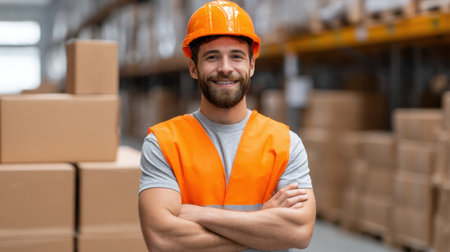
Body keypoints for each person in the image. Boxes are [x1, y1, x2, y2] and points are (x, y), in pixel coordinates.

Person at [138, 1, 315, 251]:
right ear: (193, 67)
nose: (225, 68)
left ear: (251, 66)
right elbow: (162, 239)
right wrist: (260, 223)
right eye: (212, 57)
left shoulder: (285, 143)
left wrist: (199, 215)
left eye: (236, 56)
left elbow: (298, 232)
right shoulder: (163, 143)